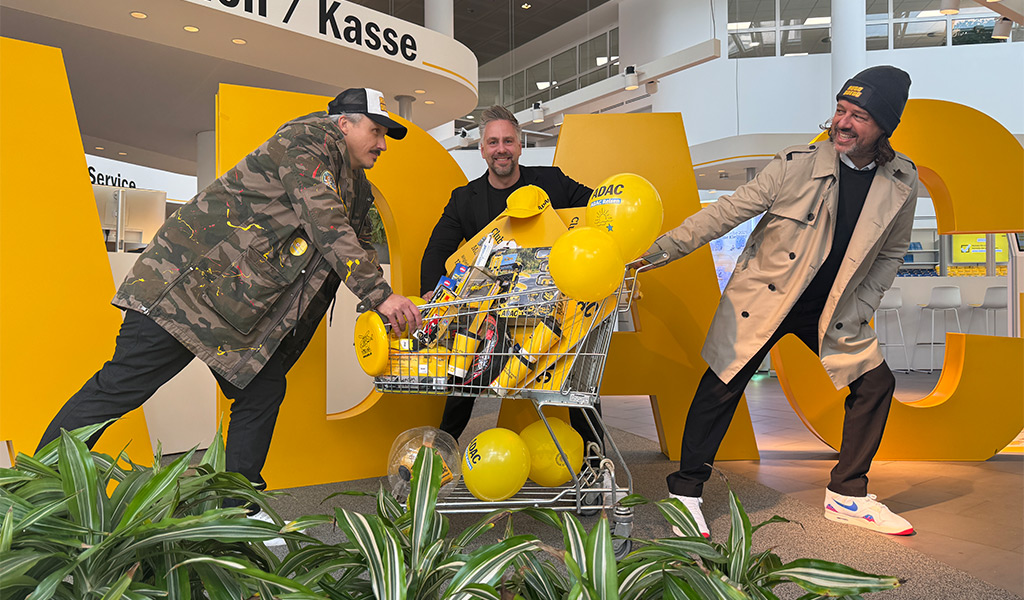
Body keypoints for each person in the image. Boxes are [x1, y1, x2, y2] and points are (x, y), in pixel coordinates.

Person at [38, 88, 422, 511]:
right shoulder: (307, 140)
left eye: (386, 134)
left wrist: (379, 308)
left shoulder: (358, 187)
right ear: (343, 123)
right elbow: (324, 221)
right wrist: (381, 295)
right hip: (182, 289)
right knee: (122, 386)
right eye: (376, 130)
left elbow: (355, 247)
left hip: (239, 310)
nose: (383, 144)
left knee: (262, 392)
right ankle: (38, 486)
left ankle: (236, 513)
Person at [648, 66, 918, 538]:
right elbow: (725, 212)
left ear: (884, 127)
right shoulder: (796, 164)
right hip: (769, 296)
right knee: (721, 387)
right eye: (840, 109)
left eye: (859, 115)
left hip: (832, 308)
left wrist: (864, 304)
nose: (843, 122)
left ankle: (847, 494)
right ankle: (685, 493)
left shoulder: (901, 181)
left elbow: (893, 250)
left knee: (875, 383)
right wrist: (654, 252)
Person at [419, 105, 601, 451]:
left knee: (576, 382)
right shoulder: (464, 199)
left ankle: (594, 465)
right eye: (492, 142)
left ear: (520, 146)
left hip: (554, 309)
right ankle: (439, 455)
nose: (500, 149)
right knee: (464, 382)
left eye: (507, 141)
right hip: (492, 312)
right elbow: (436, 250)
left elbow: (597, 209)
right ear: (482, 149)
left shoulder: (553, 182)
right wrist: (430, 293)